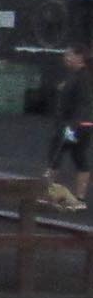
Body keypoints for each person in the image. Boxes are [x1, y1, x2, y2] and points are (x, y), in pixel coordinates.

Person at [47, 47, 92, 207]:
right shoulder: (76, 77)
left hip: (73, 125)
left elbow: (83, 104)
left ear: (80, 56)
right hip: (80, 124)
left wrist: (72, 126)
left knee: (55, 157)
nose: (65, 58)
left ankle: (47, 193)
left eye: (69, 55)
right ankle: (79, 198)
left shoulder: (83, 78)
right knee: (80, 157)